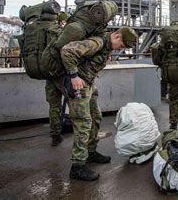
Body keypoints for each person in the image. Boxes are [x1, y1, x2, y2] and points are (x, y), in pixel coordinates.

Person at [61, 27, 138, 181]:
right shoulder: (97, 42)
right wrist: (74, 75)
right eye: (121, 46)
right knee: (83, 123)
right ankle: (77, 166)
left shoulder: (106, 46)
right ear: (117, 36)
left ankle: (90, 152)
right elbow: (67, 51)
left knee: (96, 117)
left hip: (88, 85)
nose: (120, 49)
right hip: (78, 86)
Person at [45, 11, 69, 147]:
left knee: (54, 106)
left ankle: (55, 134)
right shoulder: (62, 34)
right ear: (61, 22)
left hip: (49, 74)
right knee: (75, 102)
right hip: (61, 75)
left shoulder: (47, 34)